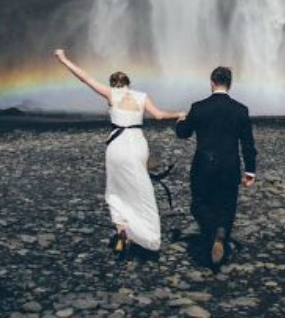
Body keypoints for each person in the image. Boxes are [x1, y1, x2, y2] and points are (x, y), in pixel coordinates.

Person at [54, 49, 184, 255]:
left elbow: (85, 78)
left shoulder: (111, 93)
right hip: (138, 143)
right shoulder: (141, 96)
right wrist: (178, 113)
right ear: (128, 84)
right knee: (141, 188)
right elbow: (159, 116)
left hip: (117, 144)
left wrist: (64, 60)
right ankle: (148, 235)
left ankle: (122, 228)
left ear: (114, 84)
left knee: (116, 190)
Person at [176, 65, 256, 266]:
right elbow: (248, 144)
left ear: (211, 83)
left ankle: (212, 231)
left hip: (203, 164)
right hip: (230, 165)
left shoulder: (198, 107)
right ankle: (221, 232)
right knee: (227, 204)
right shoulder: (241, 110)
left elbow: (183, 133)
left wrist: (180, 121)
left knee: (199, 203)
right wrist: (250, 170)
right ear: (230, 84)